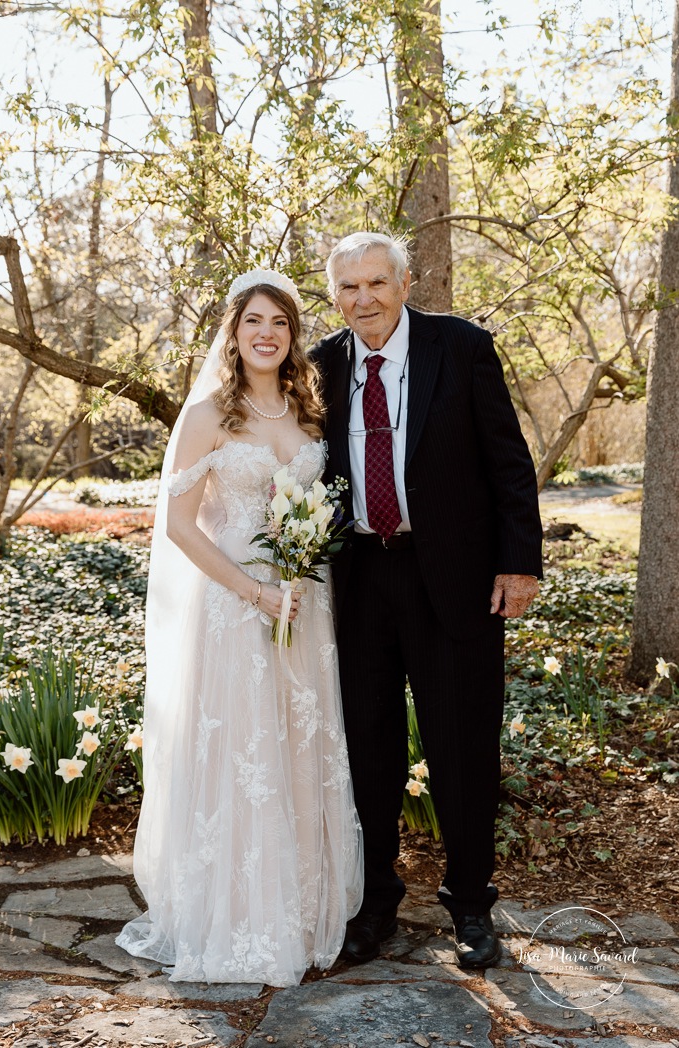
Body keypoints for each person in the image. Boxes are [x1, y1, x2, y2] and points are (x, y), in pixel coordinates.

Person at [116, 270, 363, 988]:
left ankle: (303, 909)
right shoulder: (207, 417)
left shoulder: (308, 412)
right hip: (234, 604)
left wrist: (295, 578)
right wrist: (255, 592)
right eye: (254, 320)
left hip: (305, 603)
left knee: (298, 742)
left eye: (280, 323)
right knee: (245, 751)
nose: (266, 333)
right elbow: (178, 525)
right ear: (233, 330)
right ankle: (240, 917)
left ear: (293, 336)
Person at [310, 232, 543, 970]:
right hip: (356, 580)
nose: (364, 300)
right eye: (348, 287)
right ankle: (377, 900)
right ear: (334, 295)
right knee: (367, 746)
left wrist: (518, 563)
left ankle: (470, 903)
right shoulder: (319, 365)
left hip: (454, 578)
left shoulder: (461, 347)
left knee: (462, 745)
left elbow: (509, 462)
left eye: (376, 283)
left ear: (405, 284)